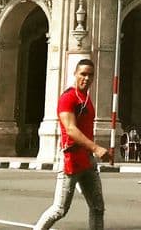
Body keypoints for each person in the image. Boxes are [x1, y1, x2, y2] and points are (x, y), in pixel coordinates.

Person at [33, 59, 112, 230]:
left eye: (90, 75)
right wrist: (96, 148)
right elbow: (70, 129)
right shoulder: (68, 98)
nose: (86, 78)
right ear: (75, 74)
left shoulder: (86, 98)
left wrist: (93, 152)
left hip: (88, 161)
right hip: (72, 159)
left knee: (97, 208)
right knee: (59, 209)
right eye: (83, 74)